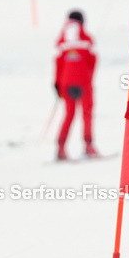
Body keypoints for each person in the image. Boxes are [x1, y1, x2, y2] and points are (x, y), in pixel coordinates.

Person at [53, 10, 99, 161]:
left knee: (69, 114)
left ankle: (61, 147)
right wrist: (89, 78)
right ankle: (88, 146)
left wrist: (57, 83)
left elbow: (58, 63)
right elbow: (93, 61)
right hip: (84, 82)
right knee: (86, 113)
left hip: (66, 83)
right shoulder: (87, 39)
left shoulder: (62, 41)